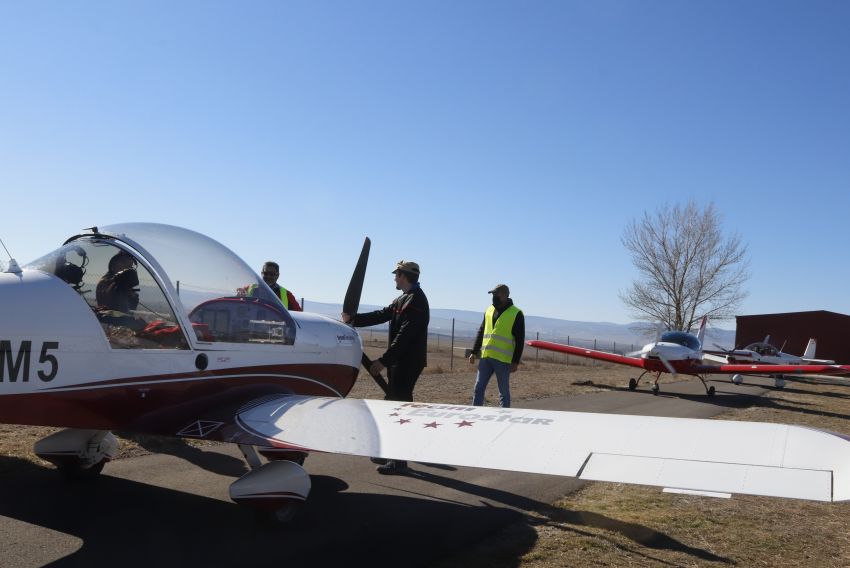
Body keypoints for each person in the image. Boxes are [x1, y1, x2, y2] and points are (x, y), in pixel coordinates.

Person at [342, 260, 430, 475]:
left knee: (399, 408)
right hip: (399, 361)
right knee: (392, 404)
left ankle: (399, 462)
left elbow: (405, 337)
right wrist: (354, 320)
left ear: (402, 275)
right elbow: (382, 314)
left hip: (407, 362)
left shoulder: (416, 301)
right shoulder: (404, 298)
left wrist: (383, 361)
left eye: (396, 274)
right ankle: (390, 452)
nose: (394, 278)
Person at [468, 284, 525, 408]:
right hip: (486, 357)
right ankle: (475, 414)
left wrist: (515, 362)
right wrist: (474, 351)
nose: (493, 297)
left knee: (503, 393)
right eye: (492, 294)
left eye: (496, 294)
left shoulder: (516, 313)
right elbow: (482, 331)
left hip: (503, 360)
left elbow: (520, 340)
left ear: (505, 295)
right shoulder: (489, 310)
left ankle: (504, 417)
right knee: (478, 388)